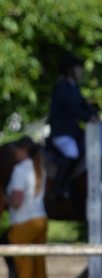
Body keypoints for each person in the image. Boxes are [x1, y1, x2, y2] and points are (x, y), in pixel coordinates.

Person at [5, 136, 48, 278]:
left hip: (24, 222)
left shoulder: (19, 170)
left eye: (16, 149)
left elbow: (16, 201)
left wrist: (3, 198)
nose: (14, 153)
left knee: (24, 270)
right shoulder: (39, 168)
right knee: (40, 269)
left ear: (23, 150)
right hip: (41, 219)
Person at [48, 52, 100, 199]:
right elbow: (73, 108)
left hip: (73, 133)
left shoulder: (74, 88)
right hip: (62, 133)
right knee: (73, 154)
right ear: (70, 70)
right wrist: (89, 117)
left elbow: (84, 105)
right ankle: (57, 189)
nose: (81, 71)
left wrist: (95, 115)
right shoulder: (62, 87)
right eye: (79, 68)